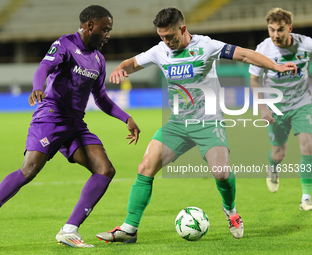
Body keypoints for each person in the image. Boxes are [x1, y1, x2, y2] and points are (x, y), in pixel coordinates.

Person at [96, 7, 297, 243]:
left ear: (183, 29)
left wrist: (276, 66)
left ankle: (231, 211)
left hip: (208, 122)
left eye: (169, 36)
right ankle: (129, 230)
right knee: (145, 167)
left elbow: (244, 55)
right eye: (161, 37)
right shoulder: (160, 50)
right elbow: (132, 63)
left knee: (221, 172)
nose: (166, 41)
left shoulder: (206, 45)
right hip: (178, 124)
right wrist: (120, 68)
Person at [0, 5, 140, 249]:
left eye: (109, 31)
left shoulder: (98, 60)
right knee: (29, 170)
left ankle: (69, 230)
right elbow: (44, 67)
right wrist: (37, 87)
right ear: (89, 26)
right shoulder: (65, 44)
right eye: (105, 30)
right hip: (51, 117)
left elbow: (101, 98)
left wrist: (126, 118)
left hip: (75, 124)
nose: (107, 36)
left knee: (104, 169)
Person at [249, 8, 312, 210]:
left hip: (303, 102)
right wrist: (262, 108)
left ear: (290, 28)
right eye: (271, 30)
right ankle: (273, 168)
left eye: (280, 30)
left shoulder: (306, 44)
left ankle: (306, 197)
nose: (276, 35)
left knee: (308, 146)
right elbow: (254, 80)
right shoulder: (263, 50)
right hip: (275, 107)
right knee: (279, 153)